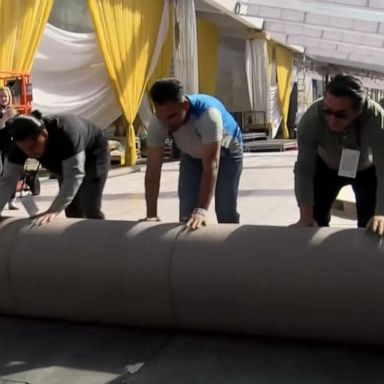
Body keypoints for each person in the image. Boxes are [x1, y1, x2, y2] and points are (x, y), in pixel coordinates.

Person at [143, 78, 243, 229]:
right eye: (162, 117)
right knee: (187, 214)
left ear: (184, 105)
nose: (167, 124)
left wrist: (201, 210)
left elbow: (211, 167)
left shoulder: (208, 116)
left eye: (172, 116)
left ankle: (232, 247)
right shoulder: (158, 123)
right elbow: (153, 171)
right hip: (192, 154)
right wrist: (151, 214)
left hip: (227, 153)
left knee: (225, 211)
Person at [293, 73, 384, 235]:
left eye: (341, 115)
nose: (332, 120)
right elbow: (304, 169)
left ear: (358, 110)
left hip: (365, 169)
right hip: (327, 166)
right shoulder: (312, 119)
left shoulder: (376, 119)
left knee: (372, 224)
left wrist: (382, 214)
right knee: (314, 219)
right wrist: (305, 216)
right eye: (328, 111)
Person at [0, 111, 110, 225]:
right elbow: (8, 181)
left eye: (32, 147)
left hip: (94, 154)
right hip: (63, 159)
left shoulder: (66, 133)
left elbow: (73, 175)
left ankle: (101, 237)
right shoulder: (19, 147)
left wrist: (53, 210)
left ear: (44, 134)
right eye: (24, 149)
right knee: (73, 210)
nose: (29, 153)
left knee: (90, 207)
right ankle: (79, 240)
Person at [0, 86, 19, 210]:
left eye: (5, 96)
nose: (3, 99)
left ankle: (12, 200)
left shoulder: (13, 111)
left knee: (12, 173)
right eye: (1, 96)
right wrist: (4, 119)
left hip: (11, 147)